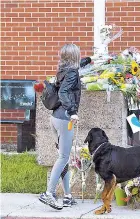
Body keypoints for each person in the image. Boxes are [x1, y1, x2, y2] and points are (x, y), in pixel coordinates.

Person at [39, 44, 81, 210]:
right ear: (74, 57)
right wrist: (72, 112)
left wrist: (89, 60)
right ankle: (49, 193)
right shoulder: (72, 73)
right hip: (65, 118)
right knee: (63, 158)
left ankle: (68, 196)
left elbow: (77, 66)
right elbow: (63, 93)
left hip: (55, 117)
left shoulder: (62, 70)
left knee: (64, 158)